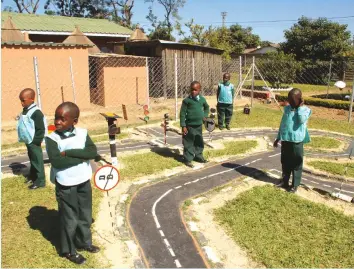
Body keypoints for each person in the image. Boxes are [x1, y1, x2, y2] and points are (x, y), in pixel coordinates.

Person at [45, 102, 99, 265]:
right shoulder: (51, 138)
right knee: (70, 217)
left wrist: (69, 153)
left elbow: (92, 152)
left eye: (63, 119)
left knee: (85, 213)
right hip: (66, 183)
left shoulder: (83, 133)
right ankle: (68, 250)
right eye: (56, 118)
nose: (58, 122)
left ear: (74, 121)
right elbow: (57, 162)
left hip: (83, 180)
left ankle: (83, 242)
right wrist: (82, 157)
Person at [273, 88, 312, 193]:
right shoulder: (287, 109)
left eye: (292, 99)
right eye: (289, 99)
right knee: (285, 162)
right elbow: (283, 124)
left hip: (297, 142)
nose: (290, 101)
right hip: (286, 140)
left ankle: (295, 185)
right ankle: (285, 181)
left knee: (296, 164)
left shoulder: (305, 110)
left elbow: (301, 120)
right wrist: (278, 138)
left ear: (300, 100)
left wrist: (299, 107)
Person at [17, 88, 47, 190]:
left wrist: (36, 141)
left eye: (23, 100)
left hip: (34, 142)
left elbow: (40, 129)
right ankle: (33, 176)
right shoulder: (26, 110)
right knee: (32, 159)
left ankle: (40, 181)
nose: (21, 103)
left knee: (37, 161)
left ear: (31, 99)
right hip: (28, 141)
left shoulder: (36, 112)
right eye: (20, 100)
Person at [180, 81, 210, 168]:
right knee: (188, 142)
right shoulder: (186, 101)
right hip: (189, 126)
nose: (193, 92)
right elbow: (182, 114)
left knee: (199, 141)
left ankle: (198, 156)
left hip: (199, 125)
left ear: (199, 90)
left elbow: (207, 108)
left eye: (195, 90)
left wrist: (205, 116)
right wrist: (183, 125)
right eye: (192, 90)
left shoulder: (202, 99)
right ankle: (188, 159)